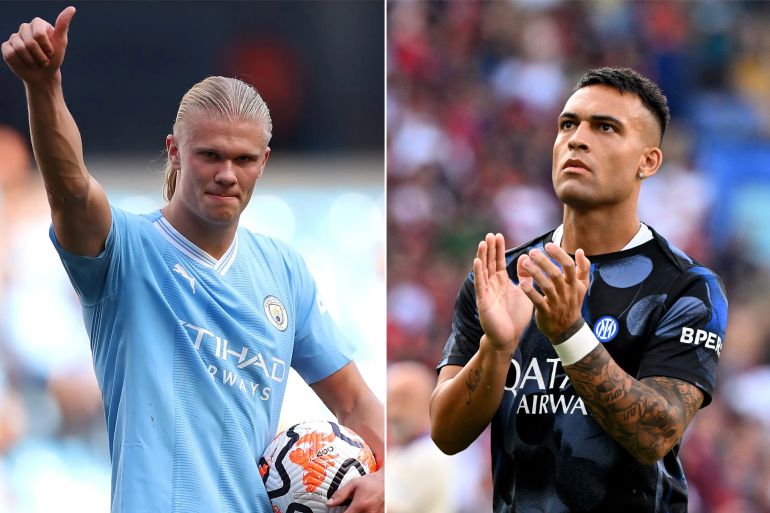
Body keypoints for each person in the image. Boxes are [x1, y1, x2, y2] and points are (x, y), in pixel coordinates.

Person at [2, 6, 384, 513]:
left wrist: (388, 477)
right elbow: (70, 187)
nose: (227, 173)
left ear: (263, 163)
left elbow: (355, 402)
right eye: (210, 155)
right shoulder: (124, 251)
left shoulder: (284, 270)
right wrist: (44, 86)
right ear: (175, 151)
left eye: (244, 159)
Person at [430, 67, 728, 512]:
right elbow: (446, 434)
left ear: (647, 161)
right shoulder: (500, 277)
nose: (577, 139)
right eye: (568, 124)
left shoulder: (685, 288)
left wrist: (569, 334)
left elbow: (655, 434)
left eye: (605, 127)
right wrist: (496, 347)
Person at [387, 361, 458, 513]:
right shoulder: (398, 452)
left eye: (404, 399)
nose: (393, 411)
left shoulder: (430, 454)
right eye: (390, 399)